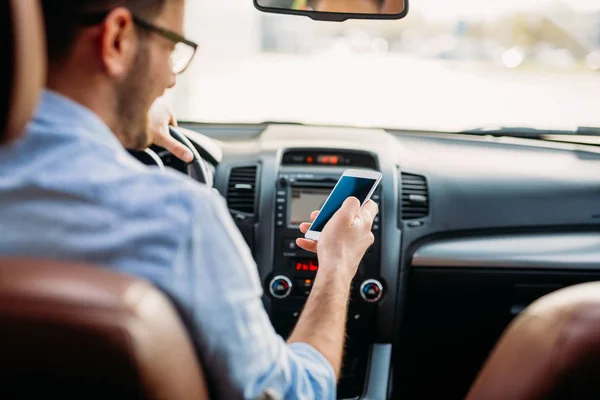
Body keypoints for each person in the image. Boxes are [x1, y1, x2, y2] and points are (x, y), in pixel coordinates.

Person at [0, 1, 378, 399]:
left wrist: (123, 116)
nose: (170, 81)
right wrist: (337, 266)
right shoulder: (178, 221)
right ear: (117, 39)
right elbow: (298, 393)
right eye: (171, 49)